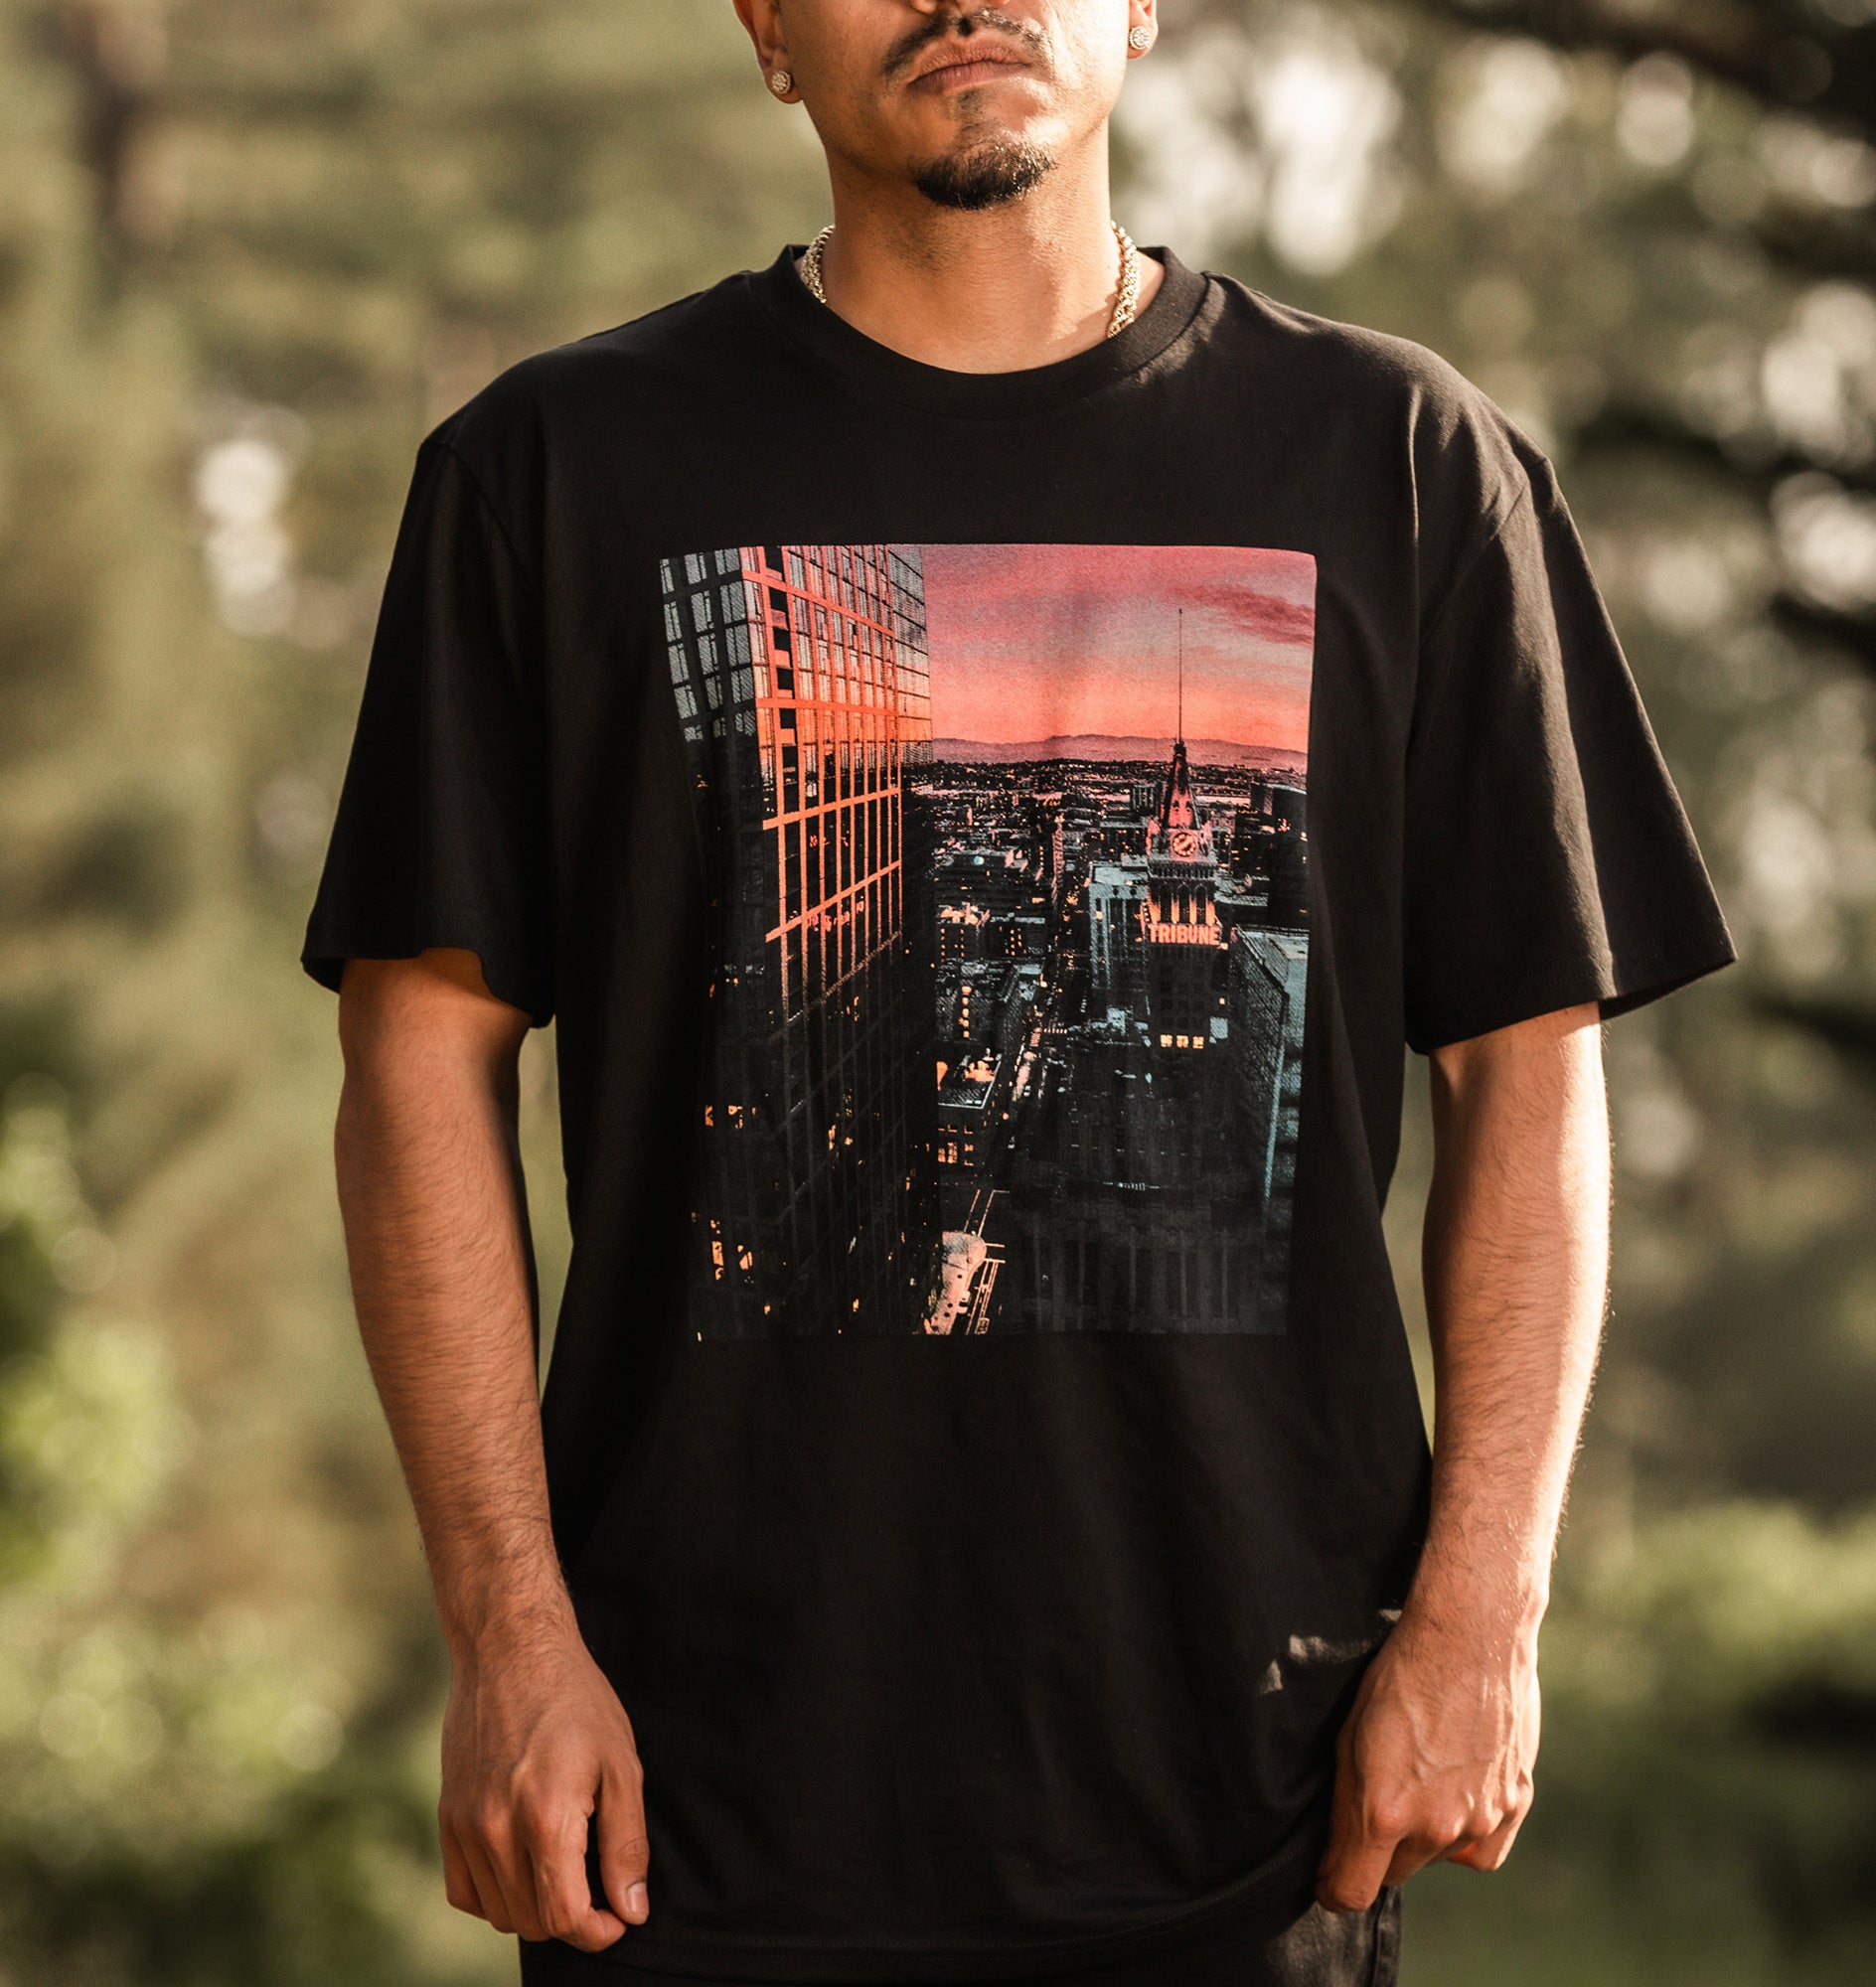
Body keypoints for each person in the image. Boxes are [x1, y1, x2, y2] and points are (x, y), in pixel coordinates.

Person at [303, 0, 1734, 1980]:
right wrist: (506, 1636)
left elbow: (1530, 1069)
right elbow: (413, 1069)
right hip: (690, 1823)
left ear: (1143, 6)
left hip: (1258, 1806)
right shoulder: (553, 472)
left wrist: (1483, 1610)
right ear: (765, 29)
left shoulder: (1400, 459)